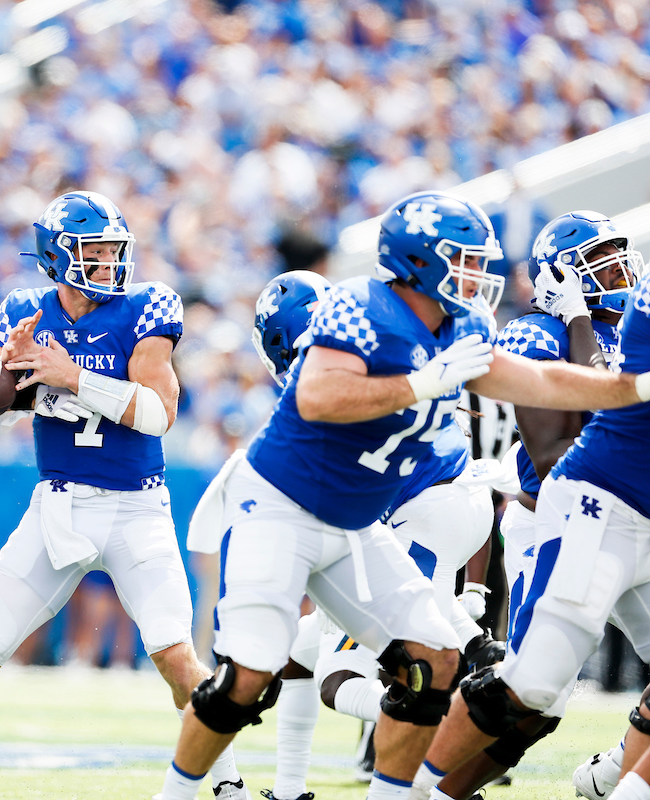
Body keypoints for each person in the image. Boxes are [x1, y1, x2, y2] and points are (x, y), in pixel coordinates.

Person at [158, 190, 650, 800]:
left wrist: (634, 387)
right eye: (464, 260)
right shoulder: (359, 306)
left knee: (438, 659)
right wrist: (422, 382)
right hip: (285, 505)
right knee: (252, 675)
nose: (479, 276)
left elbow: (542, 380)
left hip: (360, 522)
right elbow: (317, 397)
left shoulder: (463, 325)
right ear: (420, 261)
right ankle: (175, 793)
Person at [0, 191, 248, 800]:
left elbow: (158, 413)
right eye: (92, 251)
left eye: (111, 250)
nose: (106, 263)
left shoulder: (146, 307)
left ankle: (228, 785)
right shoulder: (26, 311)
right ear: (57, 255)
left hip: (136, 509)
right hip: (58, 507)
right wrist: (3, 374)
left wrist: (73, 377)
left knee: (177, 655)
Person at [214, 271, 498, 800]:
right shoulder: (382, 351)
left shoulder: (330, 395)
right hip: (446, 506)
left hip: (417, 513)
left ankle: (445, 760)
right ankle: (291, 787)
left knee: (343, 678)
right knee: (304, 649)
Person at [410, 213, 650, 800]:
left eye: (622, 259)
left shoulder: (620, 332)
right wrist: (574, 320)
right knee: (535, 699)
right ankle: (422, 790)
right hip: (559, 518)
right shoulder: (537, 331)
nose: (619, 272)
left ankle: (619, 774)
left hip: (633, 516)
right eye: (602, 263)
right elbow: (551, 453)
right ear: (560, 277)